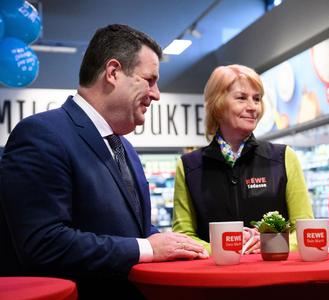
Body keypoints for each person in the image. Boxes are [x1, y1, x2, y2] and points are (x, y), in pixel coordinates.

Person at [0, 24, 208, 299]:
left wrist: (180, 245)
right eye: (150, 79)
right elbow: (44, 243)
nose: (157, 94)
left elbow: (138, 230)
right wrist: (148, 249)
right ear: (113, 73)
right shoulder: (41, 134)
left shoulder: (125, 148)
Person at [172, 64, 314, 254]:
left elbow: (306, 231)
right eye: (241, 98)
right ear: (217, 104)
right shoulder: (189, 166)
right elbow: (184, 236)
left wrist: (273, 243)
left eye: (257, 99)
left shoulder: (283, 158)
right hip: (216, 278)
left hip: (273, 276)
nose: (253, 107)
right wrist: (226, 249)